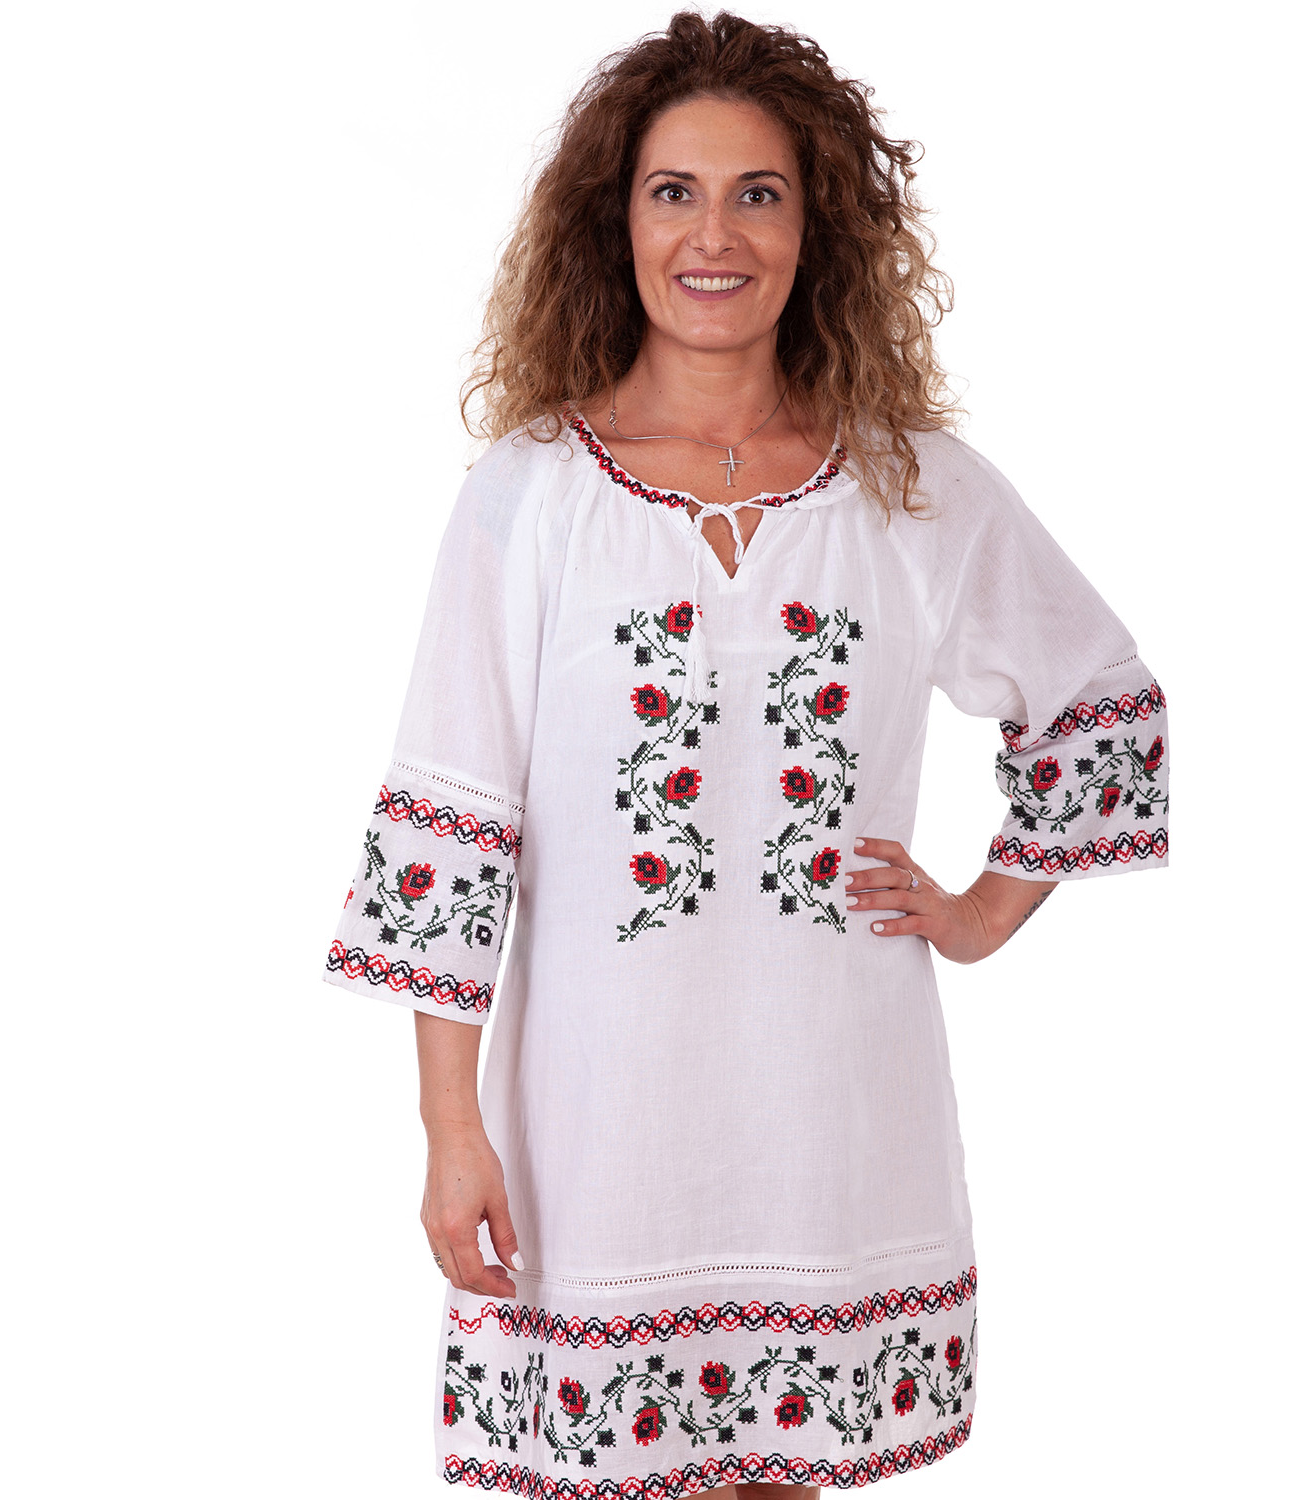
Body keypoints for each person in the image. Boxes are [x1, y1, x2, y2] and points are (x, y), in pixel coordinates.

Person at [324, 10, 1170, 1495]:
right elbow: (450, 829)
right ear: (617, 222)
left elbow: (1100, 701)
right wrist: (452, 1131)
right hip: (594, 1130)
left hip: (830, 1119)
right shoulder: (530, 496)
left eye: (757, 193)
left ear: (813, 226)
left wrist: (984, 910)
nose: (714, 235)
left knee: (789, 1472)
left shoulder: (911, 493)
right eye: (675, 191)